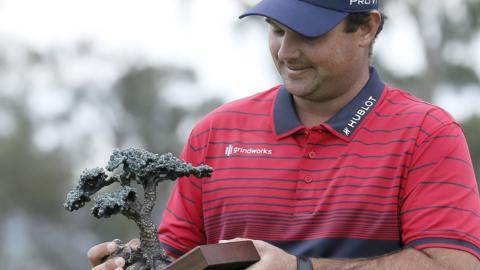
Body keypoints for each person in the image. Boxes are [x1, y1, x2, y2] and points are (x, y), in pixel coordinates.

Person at [87, 0, 480, 269]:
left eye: (307, 35)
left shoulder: (427, 135)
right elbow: (180, 252)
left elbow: (453, 264)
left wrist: (300, 268)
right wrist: (139, 259)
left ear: (365, 27)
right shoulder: (215, 133)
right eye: (276, 31)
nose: (286, 52)